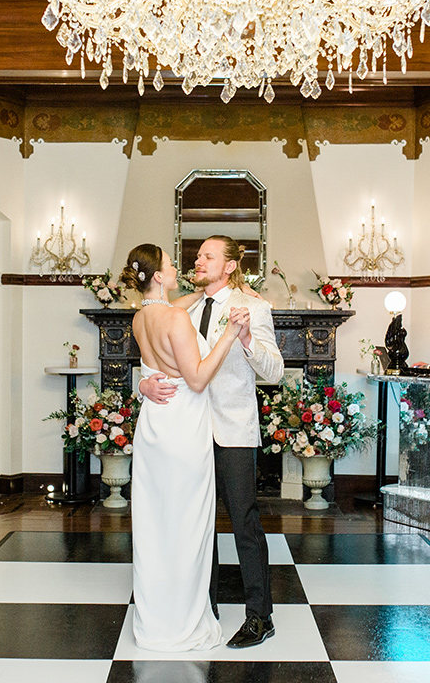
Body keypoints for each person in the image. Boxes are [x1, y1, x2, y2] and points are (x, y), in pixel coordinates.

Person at [140, 235, 284, 648]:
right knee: (195, 522)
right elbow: (157, 359)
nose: (197, 261)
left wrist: (245, 341)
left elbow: (275, 370)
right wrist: (143, 385)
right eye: (197, 254)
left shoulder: (254, 307)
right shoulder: (183, 306)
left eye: (207, 256)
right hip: (189, 431)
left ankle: (260, 616)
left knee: (244, 522)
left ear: (230, 266)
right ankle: (204, 607)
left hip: (233, 429)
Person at [120, 243, 249, 652]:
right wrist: (228, 335)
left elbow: (176, 307)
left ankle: (157, 618)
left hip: (154, 427)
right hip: (183, 430)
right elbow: (196, 379)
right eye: (171, 263)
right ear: (159, 275)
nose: (179, 266)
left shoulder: (141, 317)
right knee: (190, 524)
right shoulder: (176, 318)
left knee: (158, 524)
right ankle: (186, 621)